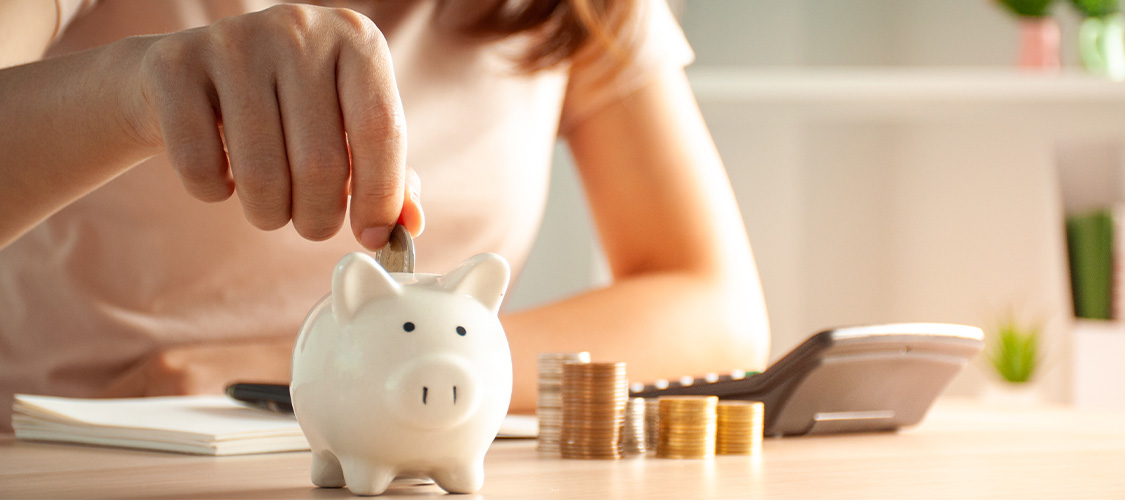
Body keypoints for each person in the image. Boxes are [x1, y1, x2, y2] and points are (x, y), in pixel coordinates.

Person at [0, 0, 769, 431]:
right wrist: (134, 91)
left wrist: (292, 370)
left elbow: (708, 303)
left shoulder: (576, 11)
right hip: (87, 459)